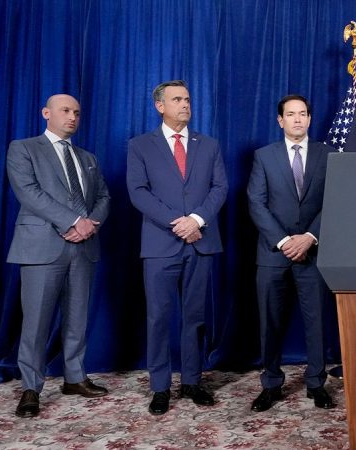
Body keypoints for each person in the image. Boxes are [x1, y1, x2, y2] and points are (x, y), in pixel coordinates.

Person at [6, 94, 111, 418]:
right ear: (46, 113)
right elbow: (28, 192)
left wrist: (88, 225)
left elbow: (104, 196)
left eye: (77, 112)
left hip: (83, 246)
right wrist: (73, 221)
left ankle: (75, 378)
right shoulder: (23, 148)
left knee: (78, 317)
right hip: (41, 246)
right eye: (65, 110)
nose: (72, 117)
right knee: (36, 321)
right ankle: (31, 387)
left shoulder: (87, 157)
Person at [127, 80, 228, 415]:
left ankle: (192, 381)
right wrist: (178, 223)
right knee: (158, 317)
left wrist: (196, 220)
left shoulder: (208, 145)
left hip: (200, 242)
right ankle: (160, 387)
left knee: (195, 317)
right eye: (177, 99)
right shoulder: (140, 145)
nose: (185, 104)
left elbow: (219, 188)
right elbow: (138, 192)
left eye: (187, 99)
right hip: (161, 245)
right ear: (160, 106)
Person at [247, 95, 336, 412]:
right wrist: (285, 241)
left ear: (309, 119)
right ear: (280, 120)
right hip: (273, 255)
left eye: (302, 114)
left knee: (317, 322)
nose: (297, 119)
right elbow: (256, 203)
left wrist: (310, 237)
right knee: (269, 323)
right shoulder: (263, 156)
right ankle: (270, 384)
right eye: (290, 114)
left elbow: (336, 200)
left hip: (314, 252)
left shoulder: (329, 154)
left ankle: (316, 384)